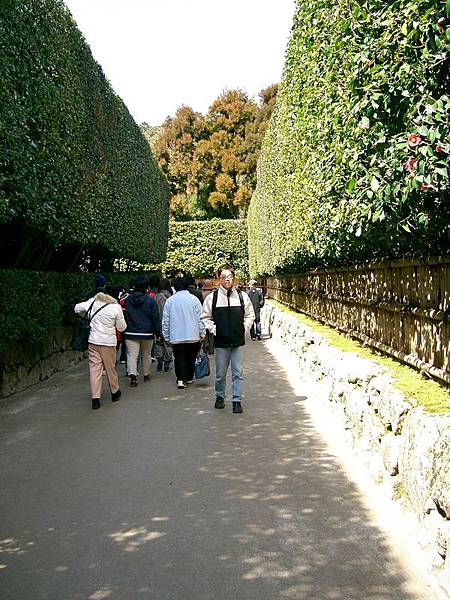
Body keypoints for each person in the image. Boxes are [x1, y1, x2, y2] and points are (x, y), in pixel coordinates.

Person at [201, 264, 254, 413]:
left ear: (234, 278)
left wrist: (244, 328)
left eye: (229, 276)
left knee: (238, 373)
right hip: (221, 342)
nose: (227, 279)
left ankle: (236, 400)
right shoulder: (213, 298)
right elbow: (205, 317)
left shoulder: (242, 297)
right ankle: (220, 396)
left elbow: (250, 315)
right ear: (219, 279)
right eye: (223, 277)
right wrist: (214, 329)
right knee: (220, 374)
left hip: (237, 341)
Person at [74, 289, 127, 410]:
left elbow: (76, 308)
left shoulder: (93, 302)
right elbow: (122, 327)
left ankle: (95, 399)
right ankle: (115, 392)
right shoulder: (116, 307)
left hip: (93, 341)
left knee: (94, 370)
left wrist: (86, 314)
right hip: (108, 343)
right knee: (110, 368)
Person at [162, 277, 205, 389]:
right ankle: (190, 377)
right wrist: (202, 332)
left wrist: (166, 336)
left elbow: (166, 320)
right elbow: (200, 317)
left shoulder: (170, 301)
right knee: (191, 357)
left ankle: (181, 379)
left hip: (176, 335)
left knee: (179, 357)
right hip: (193, 334)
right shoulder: (194, 299)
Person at [123, 276, 160, 387]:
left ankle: (133, 376)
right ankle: (146, 374)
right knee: (146, 354)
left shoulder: (128, 300)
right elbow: (155, 317)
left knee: (132, 355)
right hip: (147, 332)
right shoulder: (150, 301)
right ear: (146, 287)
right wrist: (158, 333)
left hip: (131, 331)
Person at [154, 278, 174, 372]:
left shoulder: (156, 296)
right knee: (168, 344)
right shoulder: (171, 297)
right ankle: (167, 363)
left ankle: (159, 362)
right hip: (168, 323)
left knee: (158, 343)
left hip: (157, 322)